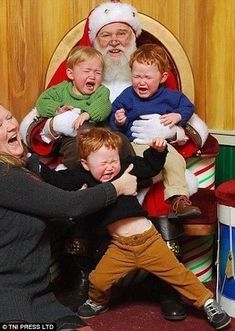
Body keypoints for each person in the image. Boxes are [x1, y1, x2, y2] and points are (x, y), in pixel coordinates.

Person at [19, 1, 208, 320]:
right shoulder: (78, 75)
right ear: (94, 41)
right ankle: (83, 278)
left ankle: (168, 286)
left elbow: (193, 123)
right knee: (78, 191)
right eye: (107, 35)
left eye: (123, 33)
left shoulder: (147, 72)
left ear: (134, 37)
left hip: (140, 160)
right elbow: (33, 123)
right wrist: (55, 125)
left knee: (162, 196)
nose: (116, 41)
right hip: (90, 163)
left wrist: (170, 131)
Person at [33, 126, 230, 331]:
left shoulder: (126, 168)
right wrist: (37, 167)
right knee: (98, 279)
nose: (110, 167)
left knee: (180, 276)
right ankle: (98, 301)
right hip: (120, 247)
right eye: (103, 163)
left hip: (149, 240)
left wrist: (158, 151)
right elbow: (59, 180)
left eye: (113, 160)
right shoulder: (82, 178)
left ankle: (208, 303)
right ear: (85, 164)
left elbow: (150, 166)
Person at [0, 103, 137, 326]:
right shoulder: (3, 175)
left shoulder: (21, 168)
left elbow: (54, 210)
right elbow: (67, 205)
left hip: (42, 296)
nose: (10, 125)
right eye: (0, 124)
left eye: (9, 117)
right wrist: (117, 187)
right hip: (7, 296)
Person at [109, 43, 201, 216]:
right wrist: (119, 120)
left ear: (163, 77)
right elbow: (113, 119)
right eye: (136, 76)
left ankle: (178, 199)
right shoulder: (127, 95)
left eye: (147, 77)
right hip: (135, 143)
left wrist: (178, 116)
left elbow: (188, 106)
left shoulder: (171, 96)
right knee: (135, 163)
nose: (141, 81)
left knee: (176, 160)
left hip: (160, 143)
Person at [35, 46, 111, 168]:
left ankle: (133, 170)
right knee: (74, 150)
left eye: (98, 72)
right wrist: (57, 109)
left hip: (98, 135)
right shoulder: (61, 90)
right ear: (71, 74)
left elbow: (104, 106)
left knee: (120, 139)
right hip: (71, 138)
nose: (92, 76)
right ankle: (76, 174)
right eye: (87, 71)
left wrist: (88, 114)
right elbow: (42, 102)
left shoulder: (101, 91)